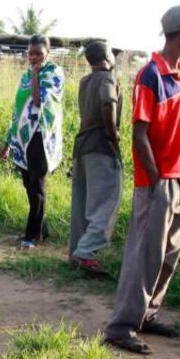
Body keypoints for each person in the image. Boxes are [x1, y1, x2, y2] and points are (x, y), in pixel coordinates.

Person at [104, 4, 180, 355]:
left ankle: (148, 314)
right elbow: (139, 133)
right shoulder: (151, 74)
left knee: (169, 253)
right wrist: (155, 181)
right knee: (145, 255)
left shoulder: (179, 73)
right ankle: (121, 326)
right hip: (162, 181)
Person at [1, 35, 65, 249]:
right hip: (23, 137)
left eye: (38, 53)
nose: (34, 57)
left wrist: (37, 74)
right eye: (30, 53)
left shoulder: (54, 73)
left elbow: (39, 101)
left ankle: (32, 235)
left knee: (37, 185)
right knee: (28, 184)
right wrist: (8, 141)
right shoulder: (25, 75)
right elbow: (17, 108)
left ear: (48, 52)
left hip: (42, 137)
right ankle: (42, 228)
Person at [68, 41, 123, 273]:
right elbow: (108, 102)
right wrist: (113, 134)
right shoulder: (107, 79)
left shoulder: (85, 81)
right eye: (112, 54)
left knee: (81, 203)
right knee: (107, 201)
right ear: (106, 57)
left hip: (81, 146)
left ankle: (76, 252)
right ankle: (87, 251)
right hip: (101, 145)